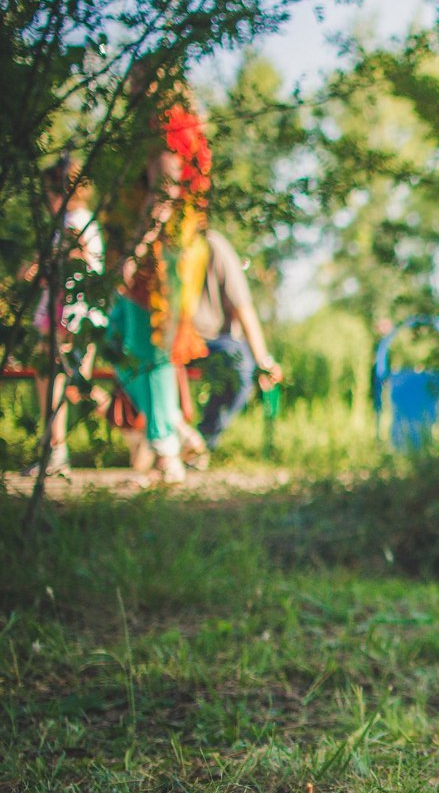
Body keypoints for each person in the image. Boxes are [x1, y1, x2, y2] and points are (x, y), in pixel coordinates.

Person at [105, 67, 213, 485]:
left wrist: (134, 250)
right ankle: (174, 431)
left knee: (151, 349)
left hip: (161, 255)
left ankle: (167, 447)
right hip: (157, 252)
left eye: (139, 80)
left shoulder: (169, 128)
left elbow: (164, 189)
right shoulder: (152, 128)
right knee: (119, 343)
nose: (131, 86)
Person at [22, 156, 105, 478]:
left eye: (49, 191)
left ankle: (56, 448)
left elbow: (75, 263)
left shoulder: (76, 222)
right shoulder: (72, 222)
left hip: (69, 314)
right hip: (67, 313)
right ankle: (55, 447)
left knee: (63, 380)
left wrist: (43, 267)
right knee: (64, 381)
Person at [189, 230, 283, 453]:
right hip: (169, 337)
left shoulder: (214, 246)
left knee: (241, 368)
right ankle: (169, 442)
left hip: (215, 339)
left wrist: (263, 360)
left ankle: (201, 444)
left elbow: (243, 306)